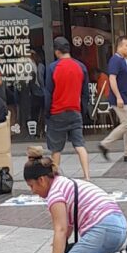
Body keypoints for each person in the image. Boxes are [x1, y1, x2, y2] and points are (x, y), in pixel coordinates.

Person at [23, 147, 127, 253]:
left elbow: (60, 229)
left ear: (41, 180)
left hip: (104, 230)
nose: (32, 191)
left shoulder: (55, 194)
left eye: (31, 186)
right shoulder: (64, 182)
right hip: (119, 226)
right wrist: (59, 249)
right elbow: (67, 227)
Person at [44, 36, 91, 181]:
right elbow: (85, 93)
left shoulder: (52, 68)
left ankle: (55, 178)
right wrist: (82, 110)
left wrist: (47, 112)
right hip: (74, 111)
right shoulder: (81, 67)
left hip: (57, 112)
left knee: (56, 149)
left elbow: (48, 92)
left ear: (57, 51)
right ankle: (87, 175)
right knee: (79, 145)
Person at [99, 36, 127, 162]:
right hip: (120, 98)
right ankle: (105, 144)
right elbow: (112, 79)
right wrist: (118, 97)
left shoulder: (125, 61)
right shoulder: (115, 60)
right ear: (119, 46)